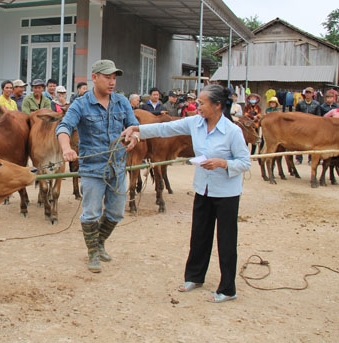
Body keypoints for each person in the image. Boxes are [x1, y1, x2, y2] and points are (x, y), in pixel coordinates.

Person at [122, 84, 251, 303]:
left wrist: (223, 163)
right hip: (203, 188)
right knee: (199, 234)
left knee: (226, 240)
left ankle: (228, 288)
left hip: (226, 193)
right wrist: (137, 130)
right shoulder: (195, 123)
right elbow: (165, 128)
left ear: (218, 106)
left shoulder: (232, 131)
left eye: (202, 103)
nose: (197, 107)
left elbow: (244, 162)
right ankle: (194, 277)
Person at [56, 59, 139, 273]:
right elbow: (64, 126)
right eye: (107, 77)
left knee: (116, 212)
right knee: (91, 212)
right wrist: (66, 148)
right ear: (94, 77)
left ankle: (99, 242)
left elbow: (133, 125)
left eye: (114, 78)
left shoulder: (121, 102)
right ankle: (93, 252)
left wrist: (134, 137)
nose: (112, 82)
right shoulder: (81, 104)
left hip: (118, 166)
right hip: (92, 168)